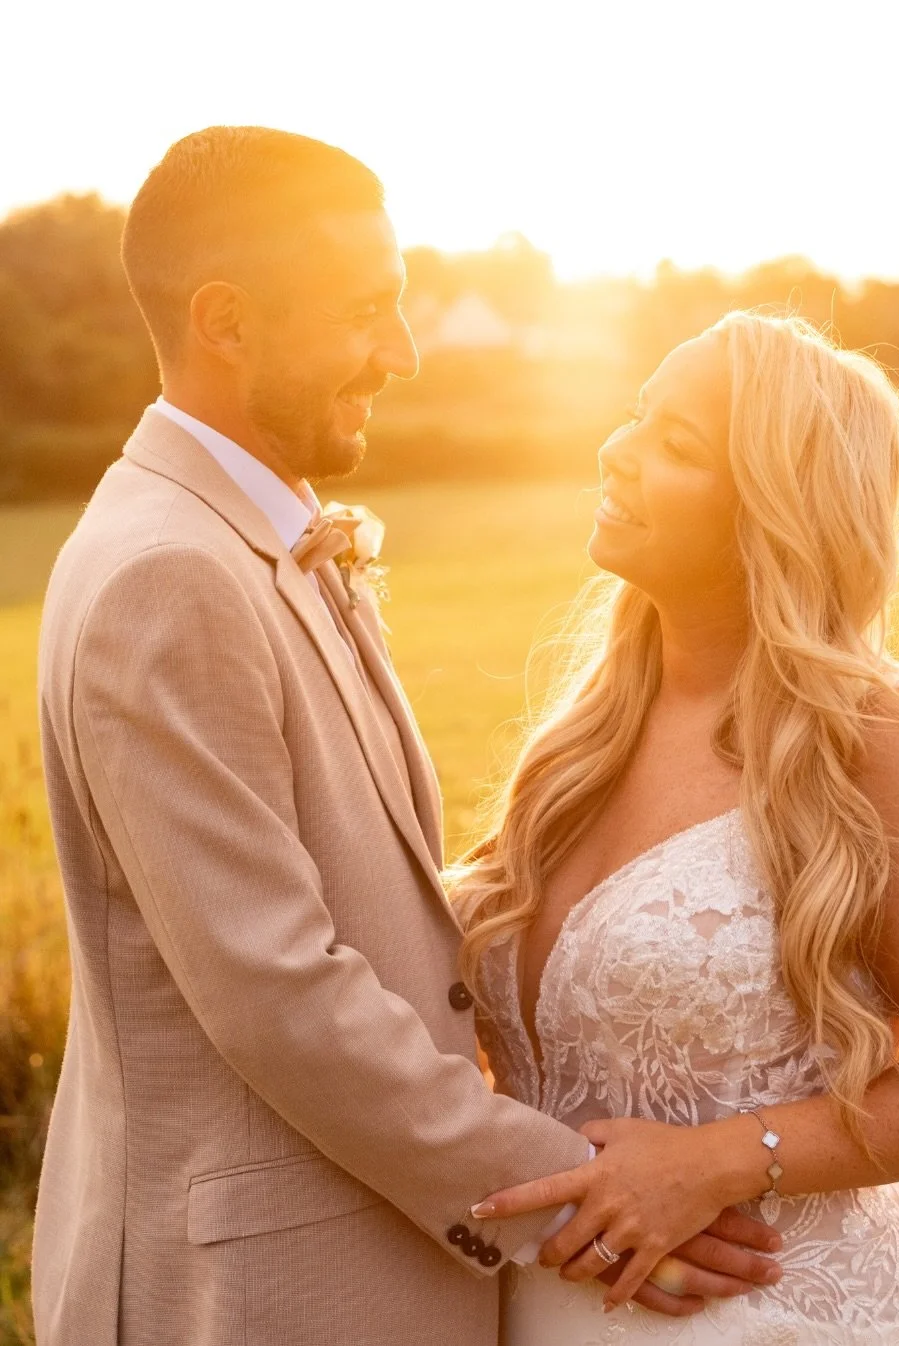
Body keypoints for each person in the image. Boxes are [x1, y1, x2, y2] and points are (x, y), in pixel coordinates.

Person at [32, 127, 781, 1346]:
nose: (406, 351)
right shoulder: (172, 575)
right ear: (226, 321)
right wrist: (570, 1193)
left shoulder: (247, 535)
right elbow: (279, 992)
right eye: (367, 311)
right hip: (256, 1290)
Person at [452, 312, 899, 1344]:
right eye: (637, 415)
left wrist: (720, 1159)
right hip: (553, 1308)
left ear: (770, 513)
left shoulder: (880, 742)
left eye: (676, 444)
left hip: (783, 1313)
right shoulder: (582, 738)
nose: (617, 449)